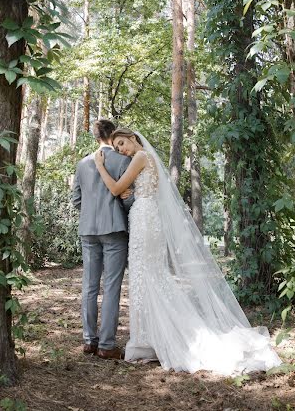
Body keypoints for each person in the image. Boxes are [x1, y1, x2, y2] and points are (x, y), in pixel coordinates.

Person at [94, 128, 282, 375]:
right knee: (146, 277)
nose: (122, 150)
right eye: (117, 148)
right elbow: (135, 189)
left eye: (122, 144)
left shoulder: (140, 157)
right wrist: (131, 190)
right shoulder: (144, 160)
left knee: (148, 276)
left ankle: (154, 339)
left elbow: (117, 189)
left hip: (145, 219)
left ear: (133, 138)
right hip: (144, 216)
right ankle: (149, 339)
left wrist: (100, 166)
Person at [72, 119, 134, 359]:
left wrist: (90, 213)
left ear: (96, 136)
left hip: (88, 229)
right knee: (111, 286)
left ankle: (89, 340)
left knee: (89, 285)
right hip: (114, 229)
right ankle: (107, 345)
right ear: (113, 134)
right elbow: (127, 199)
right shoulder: (123, 160)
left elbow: (76, 200)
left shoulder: (82, 164)